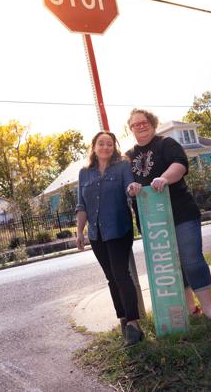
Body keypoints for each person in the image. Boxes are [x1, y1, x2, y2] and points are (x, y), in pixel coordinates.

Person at [125, 108, 211, 321]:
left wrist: (164, 178)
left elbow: (180, 165)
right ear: (130, 128)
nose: (141, 125)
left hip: (181, 213)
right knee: (172, 264)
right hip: (152, 221)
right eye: (135, 124)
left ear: (152, 123)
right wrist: (131, 188)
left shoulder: (166, 144)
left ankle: (208, 308)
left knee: (191, 259)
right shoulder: (128, 157)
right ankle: (190, 307)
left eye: (144, 122)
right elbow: (127, 184)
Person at [76, 131, 144, 346]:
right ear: (94, 147)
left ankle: (134, 324)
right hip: (96, 234)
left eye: (109, 144)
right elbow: (82, 205)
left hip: (118, 228)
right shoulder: (84, 173)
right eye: (101, 143)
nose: (105, 147)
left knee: (121, 275)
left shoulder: (122, 166)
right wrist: (79, 232)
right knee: (111, 278)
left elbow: (129, 188)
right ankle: (123, 319)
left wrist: (133, 190)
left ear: (113, 147)